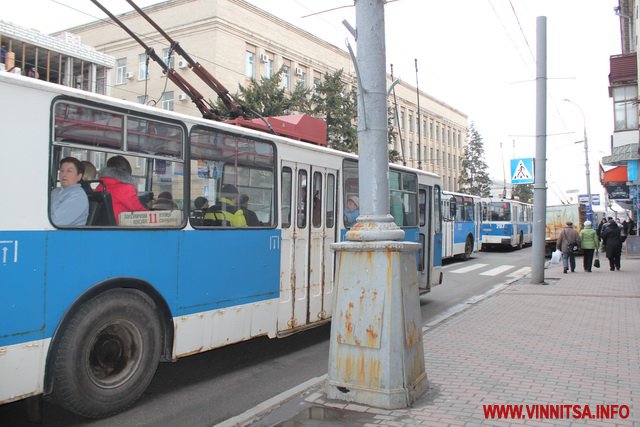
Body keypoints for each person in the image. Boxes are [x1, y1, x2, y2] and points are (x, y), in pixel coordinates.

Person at [95, 155, 148, 224]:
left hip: (101, 229)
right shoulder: (126, 188)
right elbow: (141, 212)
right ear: (127, 172)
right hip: (120, 230)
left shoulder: (100, 186)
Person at [50, 157, 89, 226]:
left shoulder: (77, 196)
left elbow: (56, 222)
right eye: (62, 171)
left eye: (69, 171)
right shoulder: (56, 191)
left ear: (79, 176)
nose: (64, 175)